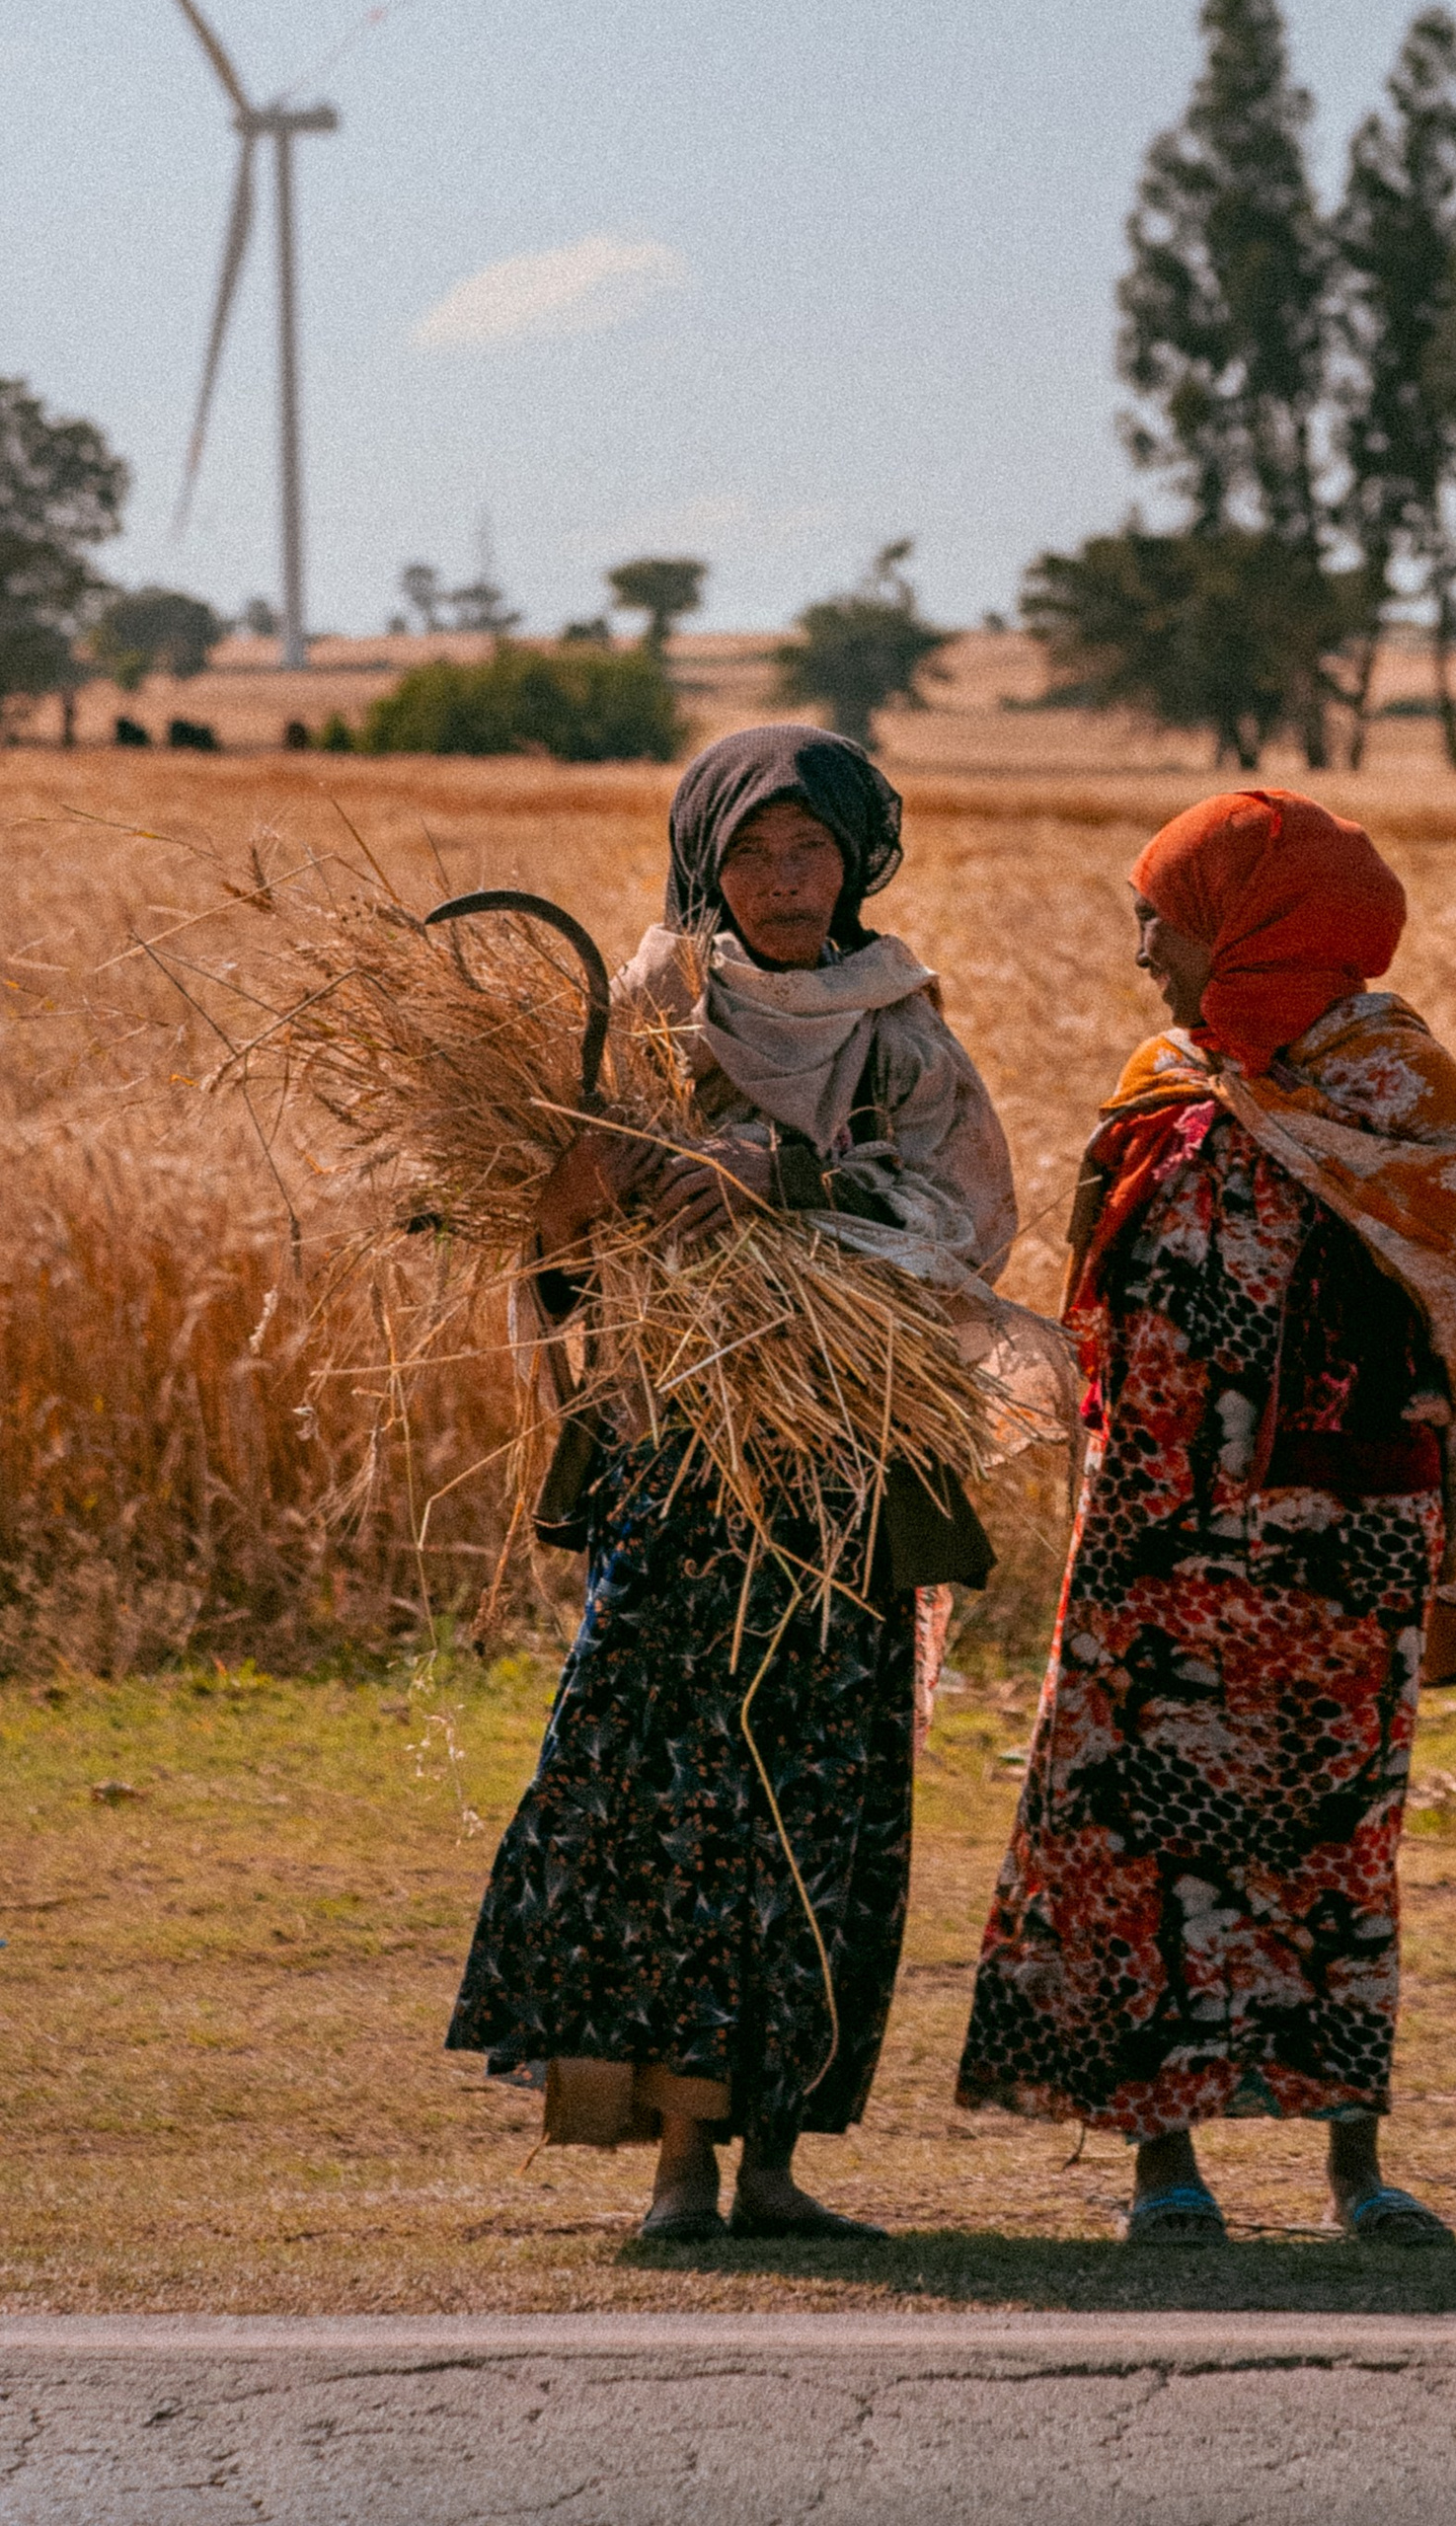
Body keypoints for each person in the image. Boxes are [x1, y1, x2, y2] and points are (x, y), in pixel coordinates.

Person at [446, 723, 1017, 2243]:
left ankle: (769, 2161)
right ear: (708, 858)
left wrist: (793, 1176)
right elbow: (564, 1227)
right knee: (662, 1802)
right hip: (681, 1468)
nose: (784, 881)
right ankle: (677, 2169)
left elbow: (968, 1213)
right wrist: (584, 1196)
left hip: (840, 1477)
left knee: (817, 1809)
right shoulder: (649, 1013)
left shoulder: (899, 1026)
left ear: (856, 862)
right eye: (756, 851)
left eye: (812, 850)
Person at [955, 789, 1456, 2246]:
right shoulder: (1165, 1080)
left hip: (1336, 1550)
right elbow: (1093, 1279)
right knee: (1146, 1837)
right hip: (1155, 1538)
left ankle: (1356, 2170)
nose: (1142, 948)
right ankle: (1166, 2172)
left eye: (1163, 916)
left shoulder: (1399, 1093)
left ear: (1250, 922)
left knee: (1332, 1844)